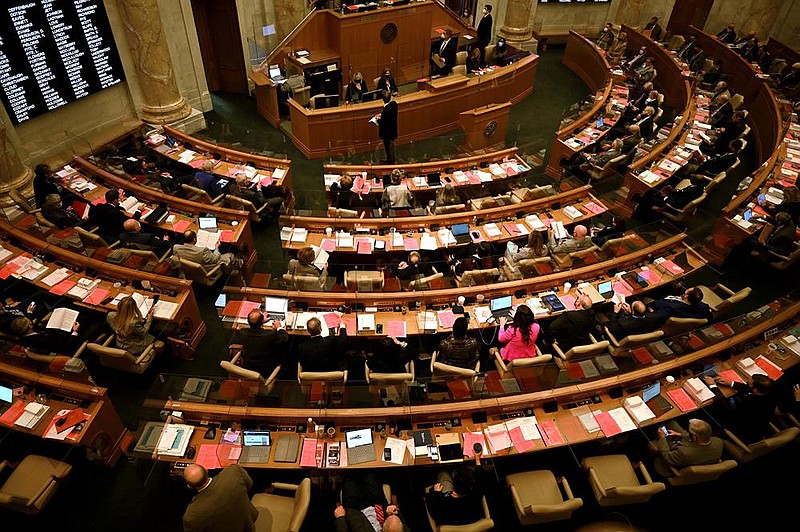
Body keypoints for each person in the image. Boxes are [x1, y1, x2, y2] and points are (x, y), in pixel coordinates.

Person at [704, 373, 777, 444]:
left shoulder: (748, 403)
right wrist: (731, 384)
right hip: (758, 428)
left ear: (755, 390)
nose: (747, 384)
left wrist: (713, 386)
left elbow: (725, 409)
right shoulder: (770, 397)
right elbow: (748, 389)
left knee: (709, 410)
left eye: (749, 384)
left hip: (741, 434)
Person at [182, 464, 258, 532]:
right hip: (248, 524)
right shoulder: (233, 472)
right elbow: (249, 484)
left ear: (189, 486)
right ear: (206, 470)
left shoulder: (192, 515)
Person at [334, 473, 409, 532]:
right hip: (377, 506)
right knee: (370, 476)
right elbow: (401, 523)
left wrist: (340, 518)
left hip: (355, 511)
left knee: (349, 480)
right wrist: (392, 511)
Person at [652, 419, 723, 478]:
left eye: (690, 432)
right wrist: (680, 434)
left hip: (679, 454)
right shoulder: (718, 441)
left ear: (694, 437)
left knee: (652, 445)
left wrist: (662, 438)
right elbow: (697, 439)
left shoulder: (685, 452)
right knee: (672, 423)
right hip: (693, 450)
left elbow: (667, 456)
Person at [232, 309, 287, 377]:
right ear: (261, 321)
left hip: (248, 367)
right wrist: (279, 327)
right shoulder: (270, 334)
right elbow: (284, 338)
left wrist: (261, 322)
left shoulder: (242, 332)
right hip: (267, 370)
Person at [172, 229, 241, 274]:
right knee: (229, 255)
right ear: (194, 239)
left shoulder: (176, 248)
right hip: (207, 268)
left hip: (190, 270)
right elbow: (215, 259)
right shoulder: (202, 251)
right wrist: (216, 248)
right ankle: (239, 265)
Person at [375, 91, 398, 164]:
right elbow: (387, 116)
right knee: (391, 146)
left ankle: (390, 160)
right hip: (393, 130)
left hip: (386, 133)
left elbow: (383, 123)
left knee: (388, 147)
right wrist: (382, 115)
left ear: (383, 99)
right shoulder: (394, 105)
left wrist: (378, 119)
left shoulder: (386, 111)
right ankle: (390, 158)